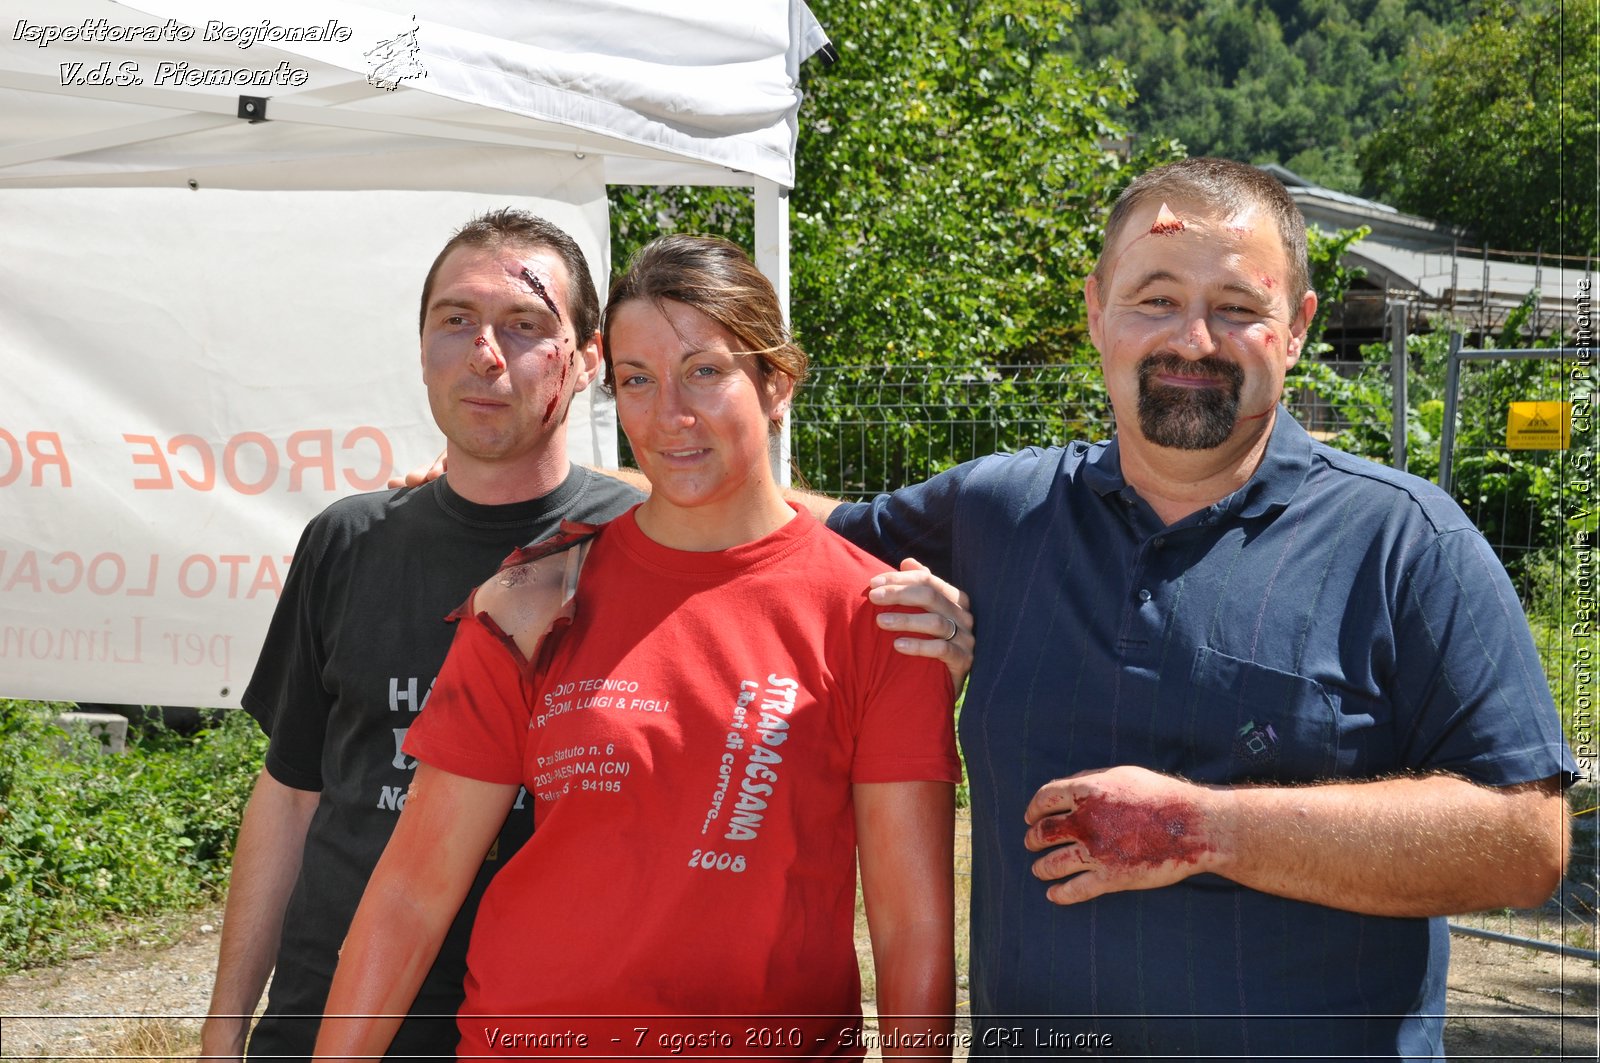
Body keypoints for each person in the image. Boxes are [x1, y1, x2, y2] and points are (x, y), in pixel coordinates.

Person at [807, 159, 1576, 1059]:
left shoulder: (1406, 542)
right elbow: (764, 533)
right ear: (1097, 312)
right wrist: (601, 512)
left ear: (1296, 329)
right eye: (1156, 299)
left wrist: (1200, 828)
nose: (1194, 340)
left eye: (1239, 308)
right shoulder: (999, 512)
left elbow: (1527, 842)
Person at [202, 213, 970, 1062]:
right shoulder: (533, 592)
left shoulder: (878, 614)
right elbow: (413, 890)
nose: (669, 413)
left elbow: (911, 928)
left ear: (778, 382)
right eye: (638, 380)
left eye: (704, 372)